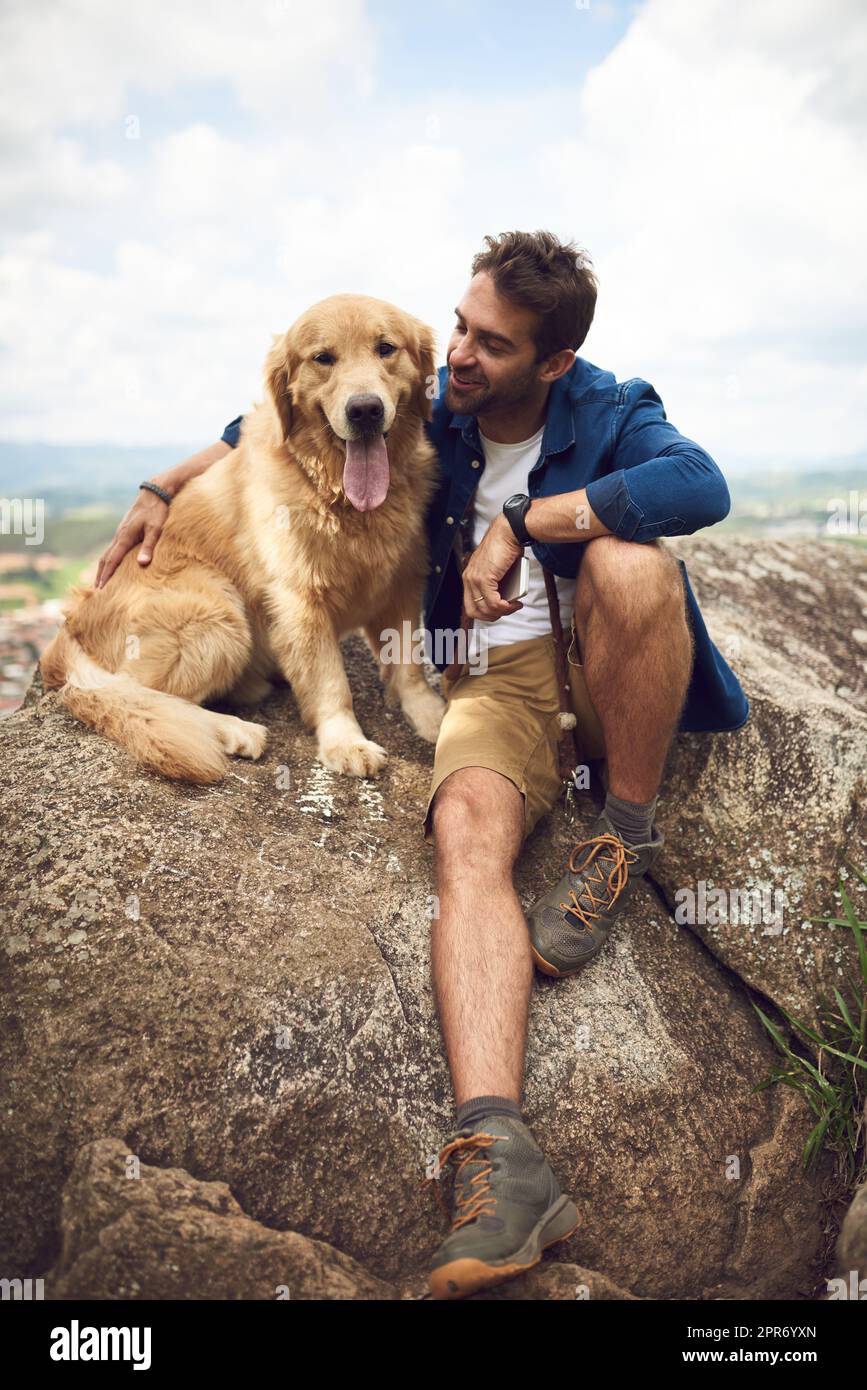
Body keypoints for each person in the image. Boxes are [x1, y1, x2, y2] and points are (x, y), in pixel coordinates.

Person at [96, 231, 749, 1299]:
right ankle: (499, 1152)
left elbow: (699, 483)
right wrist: (163, 484)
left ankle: (622, 834)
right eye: (456, 325)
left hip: (600, 660)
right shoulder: (423, 396)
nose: (455, 354)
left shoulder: (612, 406)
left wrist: (527, 527)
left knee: (637, 565)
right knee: (464, 834)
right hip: (493, 684)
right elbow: (272, 417)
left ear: (551, 364)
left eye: (489, 343)